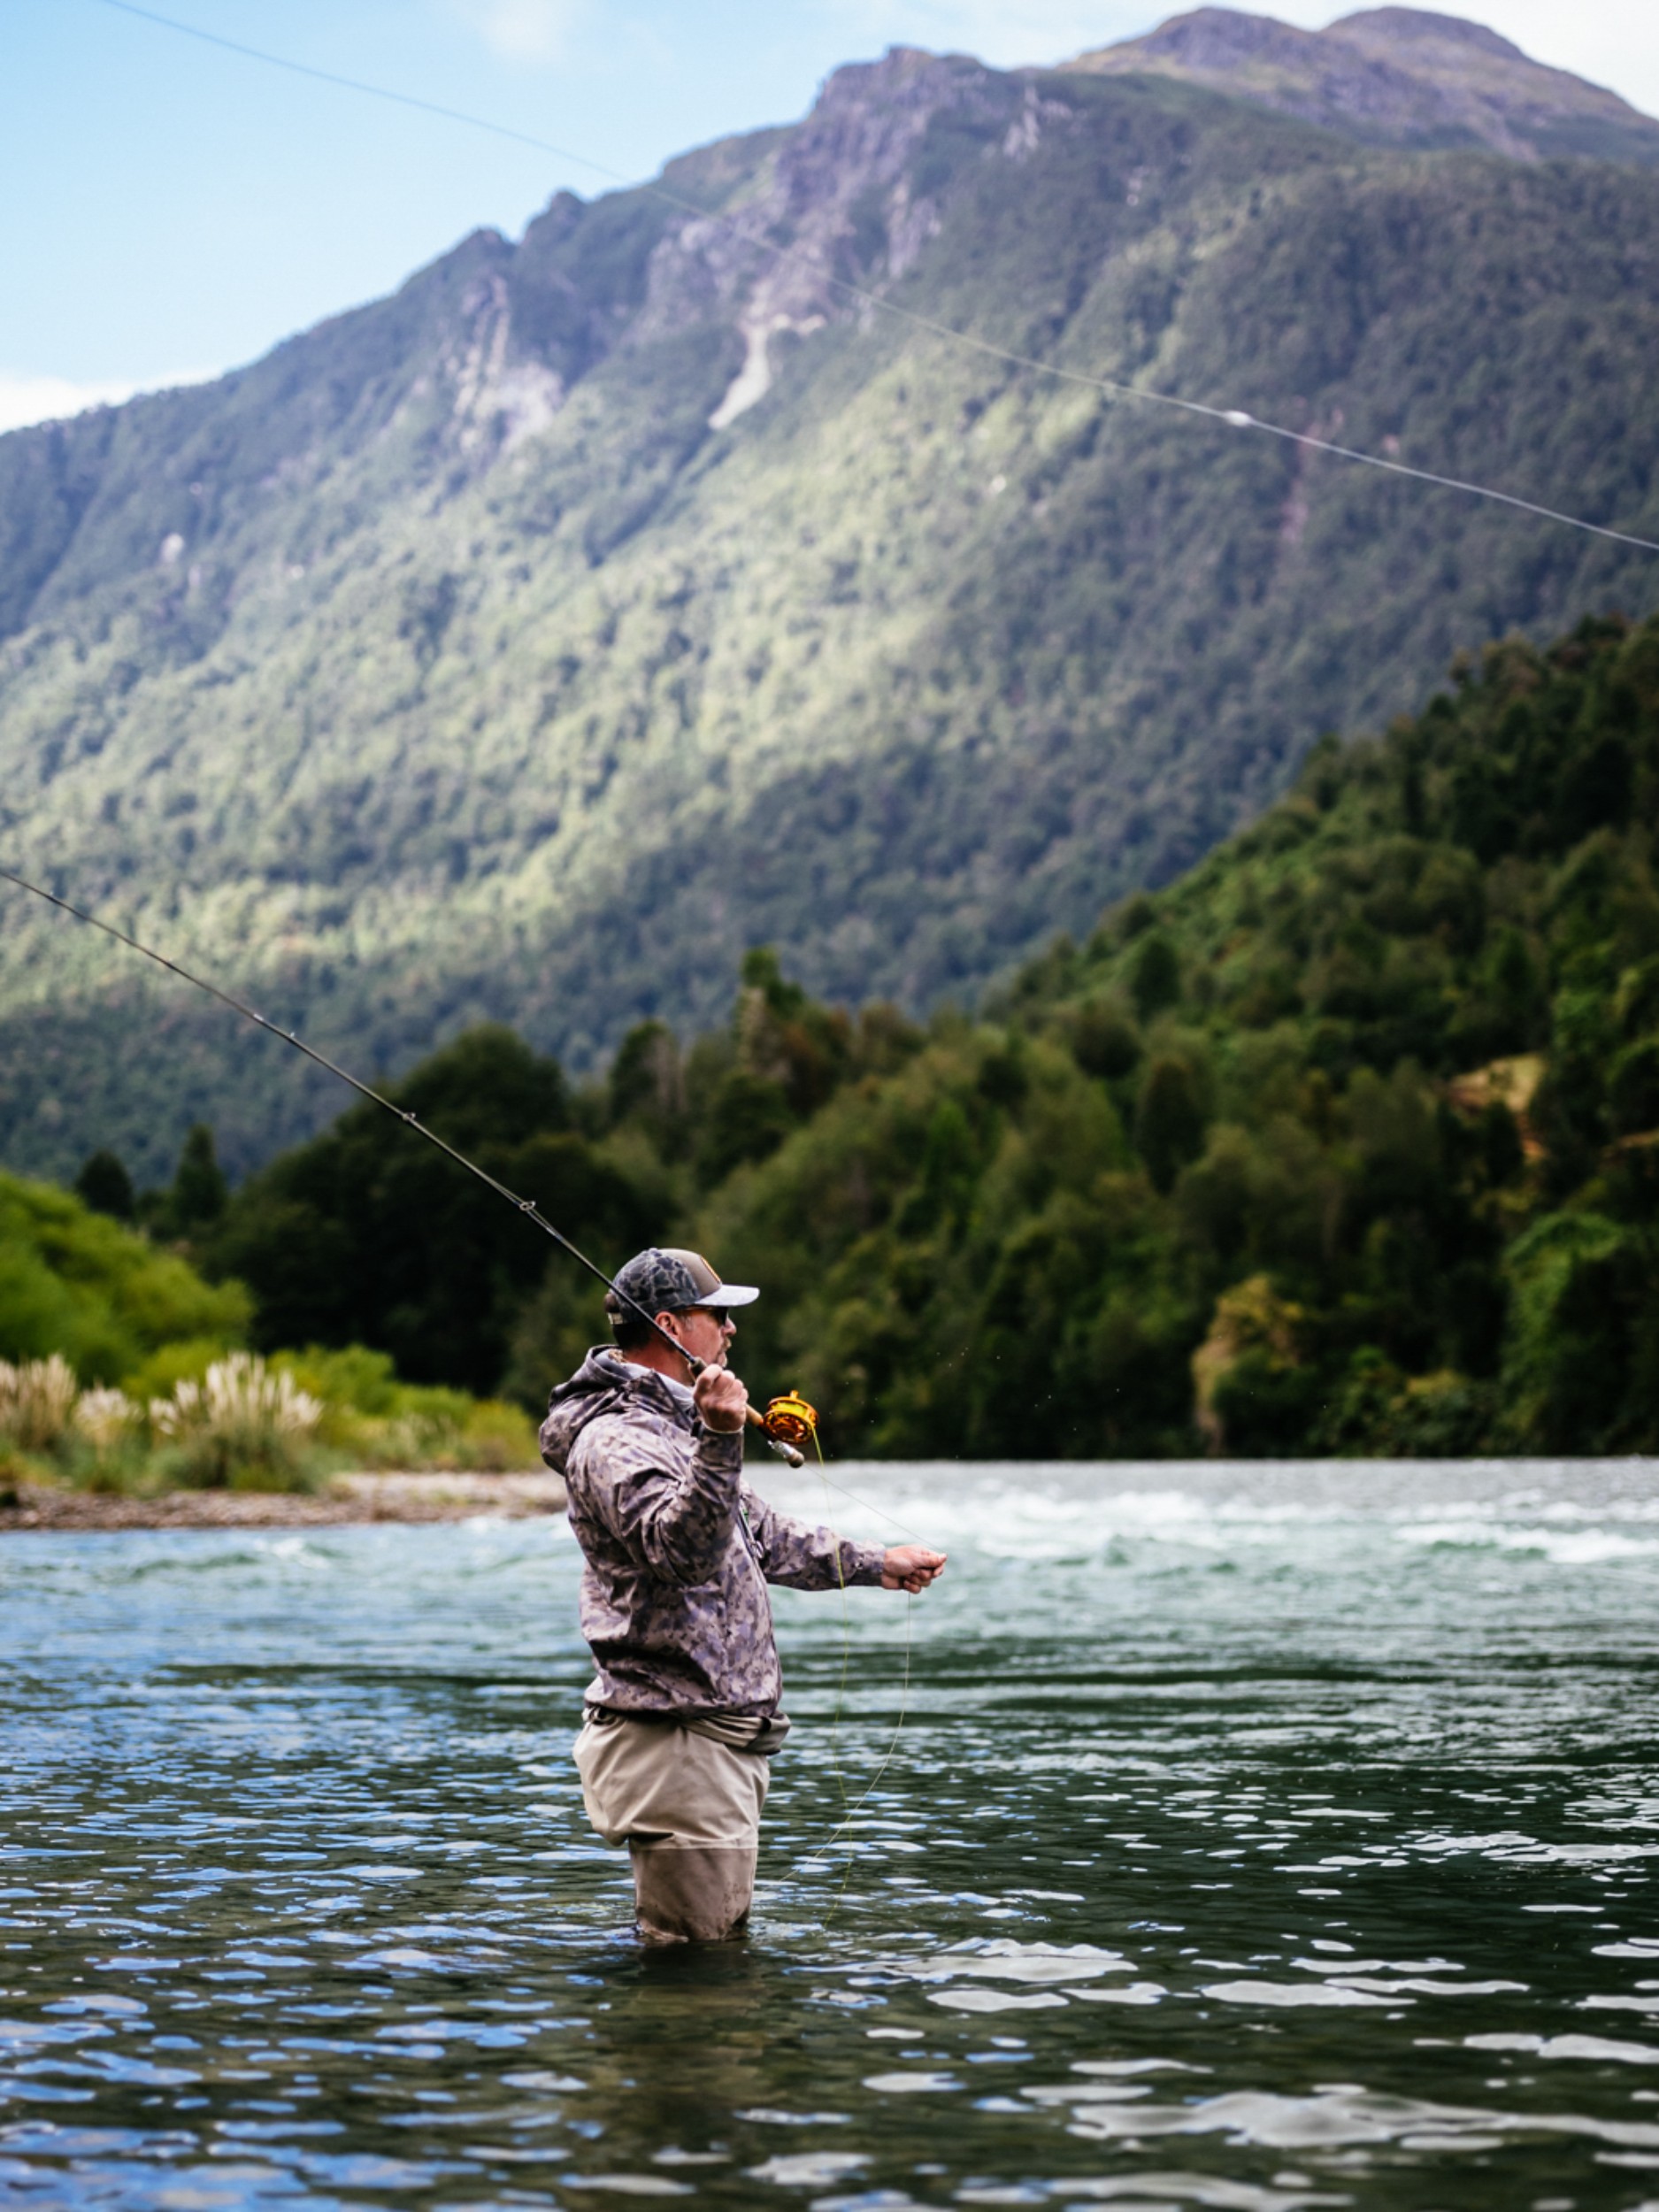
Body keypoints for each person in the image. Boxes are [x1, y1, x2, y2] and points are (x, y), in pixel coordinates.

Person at [539, 1246, 947, 1944]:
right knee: (694, 1973)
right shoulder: (613, 1442)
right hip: (677, 1747)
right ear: (670, 1326)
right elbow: (682, 1554)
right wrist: (722, 1437)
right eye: (718, 1315)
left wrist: (878, 1563)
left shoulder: (674, 1427)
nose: (731, 1331)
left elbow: (761, 1534)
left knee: (708, 1959)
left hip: (712, 1744)